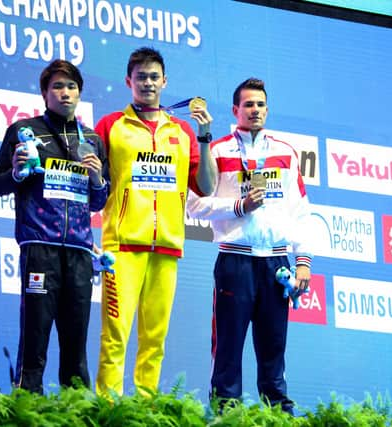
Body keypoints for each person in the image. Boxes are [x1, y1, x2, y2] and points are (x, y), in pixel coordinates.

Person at [187, 77, 313, 415]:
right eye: (248, 105)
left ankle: (279, 418)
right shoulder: (217, 150)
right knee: (228, 348)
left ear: (267, 110)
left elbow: (300, 211)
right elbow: (194, 205)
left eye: (259, 105)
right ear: (235, 110)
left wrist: (303, 262)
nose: (254, 110)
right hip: (235, 262)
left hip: (276, 265)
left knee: (274, 349)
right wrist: (237, 207)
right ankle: (227, 416)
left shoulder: (285, 153)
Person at [94, 47, 215, 396]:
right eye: (141, 77)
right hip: (122, 247)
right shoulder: (111, 125)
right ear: (128, 81)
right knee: (114, 336)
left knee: (155, 340)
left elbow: (205, 187)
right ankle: (109, 411)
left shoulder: (182, 132)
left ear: (165, 81)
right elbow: (96, 182)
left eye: (153, 76)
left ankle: (145, 411)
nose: (148, 83)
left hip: (166, 248)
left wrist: (204, 136)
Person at [0, 59, 109, 394]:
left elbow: (98, 201)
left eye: (71, 86)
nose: (65, 93)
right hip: (40, 249)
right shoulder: (24, 131)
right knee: (35, 338)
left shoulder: (93, 141)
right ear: (45, 93)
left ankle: (76, 411)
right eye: (57, 86)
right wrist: (16, 173)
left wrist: (97, 178)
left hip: (81, 254)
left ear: (80, 93)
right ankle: (29, 407)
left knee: (76, 347)